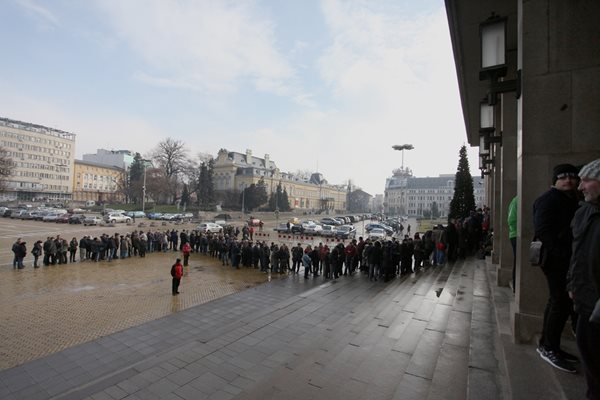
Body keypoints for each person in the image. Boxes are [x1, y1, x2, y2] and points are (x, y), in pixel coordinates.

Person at [533, 163, 580, 373]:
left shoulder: (569, 199)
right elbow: (543, 230)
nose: (568, 180)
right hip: (556, 260)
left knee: (560, 303)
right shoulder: (549, 200)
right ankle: (549, 346)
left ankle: (550, 344)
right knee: (559, 302)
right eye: (563, 177)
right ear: (555, 180)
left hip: (564, 259)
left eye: (571, 177)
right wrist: (561, 253)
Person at [567, 159, 600, 398]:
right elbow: (577, 252)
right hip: (585, 296)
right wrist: (572, 282)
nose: (580, 187)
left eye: (587, 180)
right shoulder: (585, 211)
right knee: (588, 352)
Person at [507, 196, 518, 292]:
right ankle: (516, 285)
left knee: (517, 261)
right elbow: (512, 220)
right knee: (517, 261)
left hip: (513, 234)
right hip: (516, 234)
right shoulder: (518, 200)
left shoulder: (514, 200)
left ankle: (515, 285)